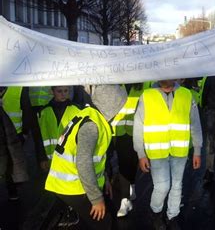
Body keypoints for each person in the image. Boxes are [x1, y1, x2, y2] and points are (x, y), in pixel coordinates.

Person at [45, 85, 127, 230]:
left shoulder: (90, 115)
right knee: (104, 222)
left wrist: (105, 179)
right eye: (118, 106)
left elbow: (95, 159)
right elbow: (83, 163)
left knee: (104, 215)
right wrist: (96, 199)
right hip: (72, 185)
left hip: (74, 182)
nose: (119, 111)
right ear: (110, 105)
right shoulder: (92, 126)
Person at [133, 80, 202, 230]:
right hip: (157, 151)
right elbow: (138, 125)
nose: (167, 79)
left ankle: (172, 216)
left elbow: (195, 123)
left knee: (177, 185)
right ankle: (156, 213)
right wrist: (141, 153)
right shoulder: (147, 95)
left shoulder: (186, 94)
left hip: (180, 150)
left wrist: (197, 150)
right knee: (162, 187)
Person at [24, 86, 81, 229]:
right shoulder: (43, 112)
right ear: (52, 91)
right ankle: (62, 212)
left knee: (69, 187)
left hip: (70, 159)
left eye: (66, 91)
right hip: (52, 160)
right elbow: (38, 138)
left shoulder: (77, 111)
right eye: (59, 91)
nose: (63, 94)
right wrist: (41, 158)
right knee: (55, 189)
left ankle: (70, 211)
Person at [111, 83, 149, 217]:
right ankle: (125, 199)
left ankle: (131, 185)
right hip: (119, 131)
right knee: (123, 164)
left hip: (137, 131)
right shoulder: (117, 84)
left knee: (133, 161)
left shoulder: (145, 84)